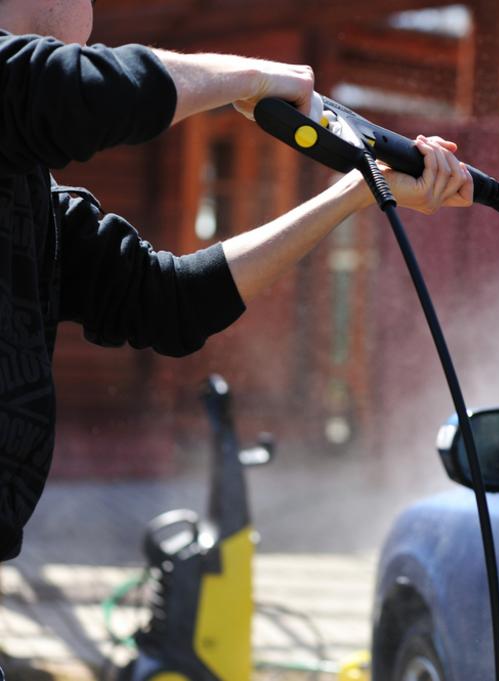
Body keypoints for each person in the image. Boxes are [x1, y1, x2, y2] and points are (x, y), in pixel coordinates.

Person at [0, 0, 474, 562]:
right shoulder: (34, 89)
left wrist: (357, 194)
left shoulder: (32, 195)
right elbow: (75, 90)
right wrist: (250, 79)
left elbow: (166, 301)